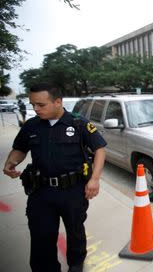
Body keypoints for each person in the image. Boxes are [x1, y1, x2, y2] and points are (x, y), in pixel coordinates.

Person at [2, 83, 107, 272]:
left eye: (41, 105)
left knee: (75, 231)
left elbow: (99, 149)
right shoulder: (32, 125)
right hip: (41, 191)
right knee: (41, 235)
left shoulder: (78, 123)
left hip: (73, 190)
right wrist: (11, 162)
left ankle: (76, 264)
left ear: (58, 102)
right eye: (33, 104)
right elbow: (20, 148)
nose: (35, 109)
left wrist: (95, 179)